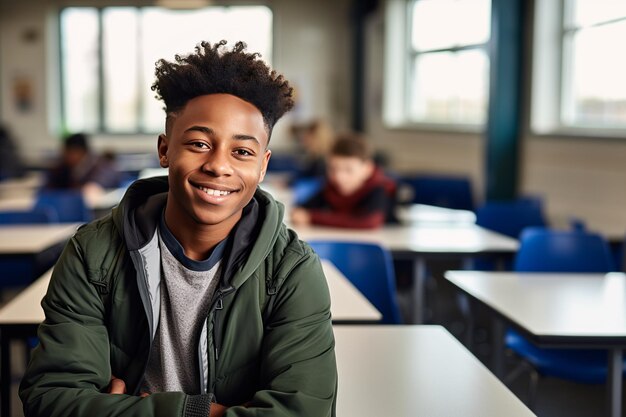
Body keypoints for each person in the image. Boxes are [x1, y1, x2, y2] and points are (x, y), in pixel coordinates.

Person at [20, 40, 337, 417]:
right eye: (200, 143)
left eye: (242, 151)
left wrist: (122, 410)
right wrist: (206, 412)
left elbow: (304, 412)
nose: (218, 165)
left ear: (263, 165)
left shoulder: (291, 269)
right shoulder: (93, 254)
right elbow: (51, 400)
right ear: (165, 149)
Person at [291, 132, 397, 229]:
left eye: (348, 170)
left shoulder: (380, 188)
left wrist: (312, 218)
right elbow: (301, 211)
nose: (339, 176)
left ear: (367, 169)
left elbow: (368, 222)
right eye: (333, 168)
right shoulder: (331, 188)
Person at [44, 132, 122, 192]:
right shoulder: (63, 168)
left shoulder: (101, 166)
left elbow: (99, 185)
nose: (65, 156)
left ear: (82, 152)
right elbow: (50, 187)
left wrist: (92, 188)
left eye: (70, 152)